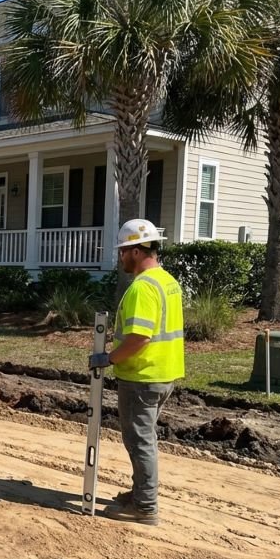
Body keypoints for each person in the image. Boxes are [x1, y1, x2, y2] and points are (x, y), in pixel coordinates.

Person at [89, 219, 184, 526]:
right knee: (145, 439)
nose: (120, 258)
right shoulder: (167, 281)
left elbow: (140, 337)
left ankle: (145, 505)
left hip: (142, 377)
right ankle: (140, 493)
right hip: (164, 373)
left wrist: (109, 358)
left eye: (123, 251)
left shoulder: (142, 288)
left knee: (140, 441)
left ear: (135, 250)